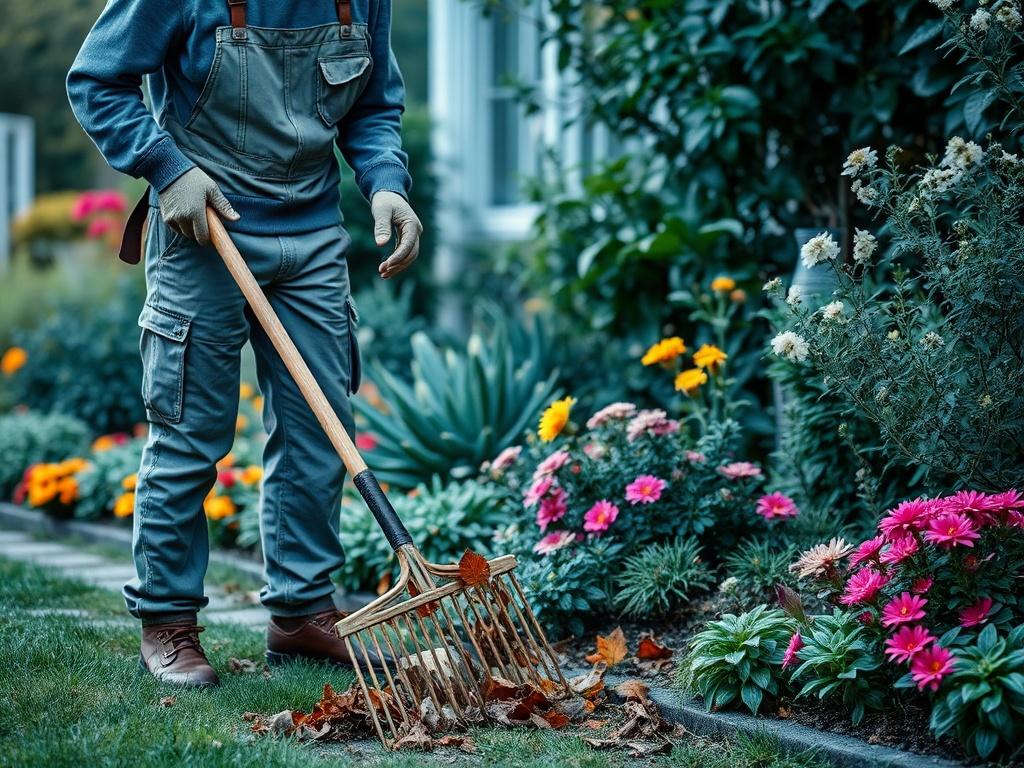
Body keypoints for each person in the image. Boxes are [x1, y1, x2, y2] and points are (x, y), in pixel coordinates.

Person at [67, 0, 421, 688]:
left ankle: (301, 612)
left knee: (320, 428)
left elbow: (374, 102)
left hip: (313, 235)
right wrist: (165, 166)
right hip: (206, 228)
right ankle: (167, 619)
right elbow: (96, 80)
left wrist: (385, 184)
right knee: (190, 433)